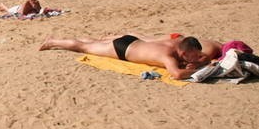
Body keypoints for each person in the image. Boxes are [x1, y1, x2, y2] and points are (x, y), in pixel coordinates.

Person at [39, 34, 207, 80]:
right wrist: (198, 68)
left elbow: (194, 55)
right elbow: (176, 75)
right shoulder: (168, 56)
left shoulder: (178, 42)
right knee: (84, 48)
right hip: (123, 49)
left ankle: (77, 38)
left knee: (94, 44)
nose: (196, 59)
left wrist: (193, 62)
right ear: (183, 53)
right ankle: (52, 41)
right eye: (194, 57)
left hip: (133, 41)